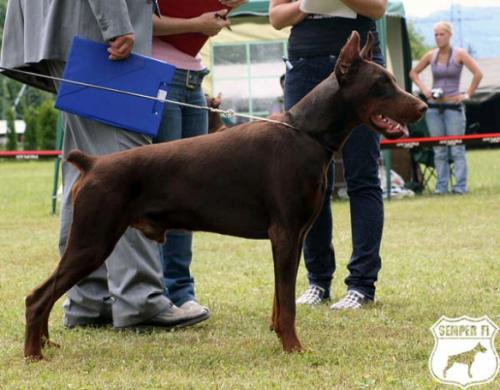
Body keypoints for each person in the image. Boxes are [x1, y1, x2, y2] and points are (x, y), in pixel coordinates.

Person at [0, 0, 207, 329]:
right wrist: (116, 23)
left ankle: (88, 300)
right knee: (127, 167)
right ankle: (140, 299)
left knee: (87, 168)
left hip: (59, 28)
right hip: (96, 31)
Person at [269, 0, 387, 309]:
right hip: (305, 62)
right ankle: (318, 280)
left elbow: (377, 8)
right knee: (309, 178)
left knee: (362, 174)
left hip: (360, 66)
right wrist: (308, 3)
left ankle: (362, 284)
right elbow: (277, 17)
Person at [151, 0, 247, 318]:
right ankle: (157, 289)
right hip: (160, 77)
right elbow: (142, 23)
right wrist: (196, 23)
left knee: (187, 192)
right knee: (165, 191)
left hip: (194, 79)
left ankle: (180, 289)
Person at [410, 21, 483, 195]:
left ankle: (460, 186)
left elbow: (478, 73)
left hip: (453, 106)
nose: (438, 37)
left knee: (457, 147)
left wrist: (466, 95)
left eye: (441, 34)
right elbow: (413, 73)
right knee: (438, 148)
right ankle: (441, 187)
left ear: (449, 35)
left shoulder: (459, 54)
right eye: (435, 34)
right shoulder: (431, 55)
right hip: (434, 107)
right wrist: (425, 90)